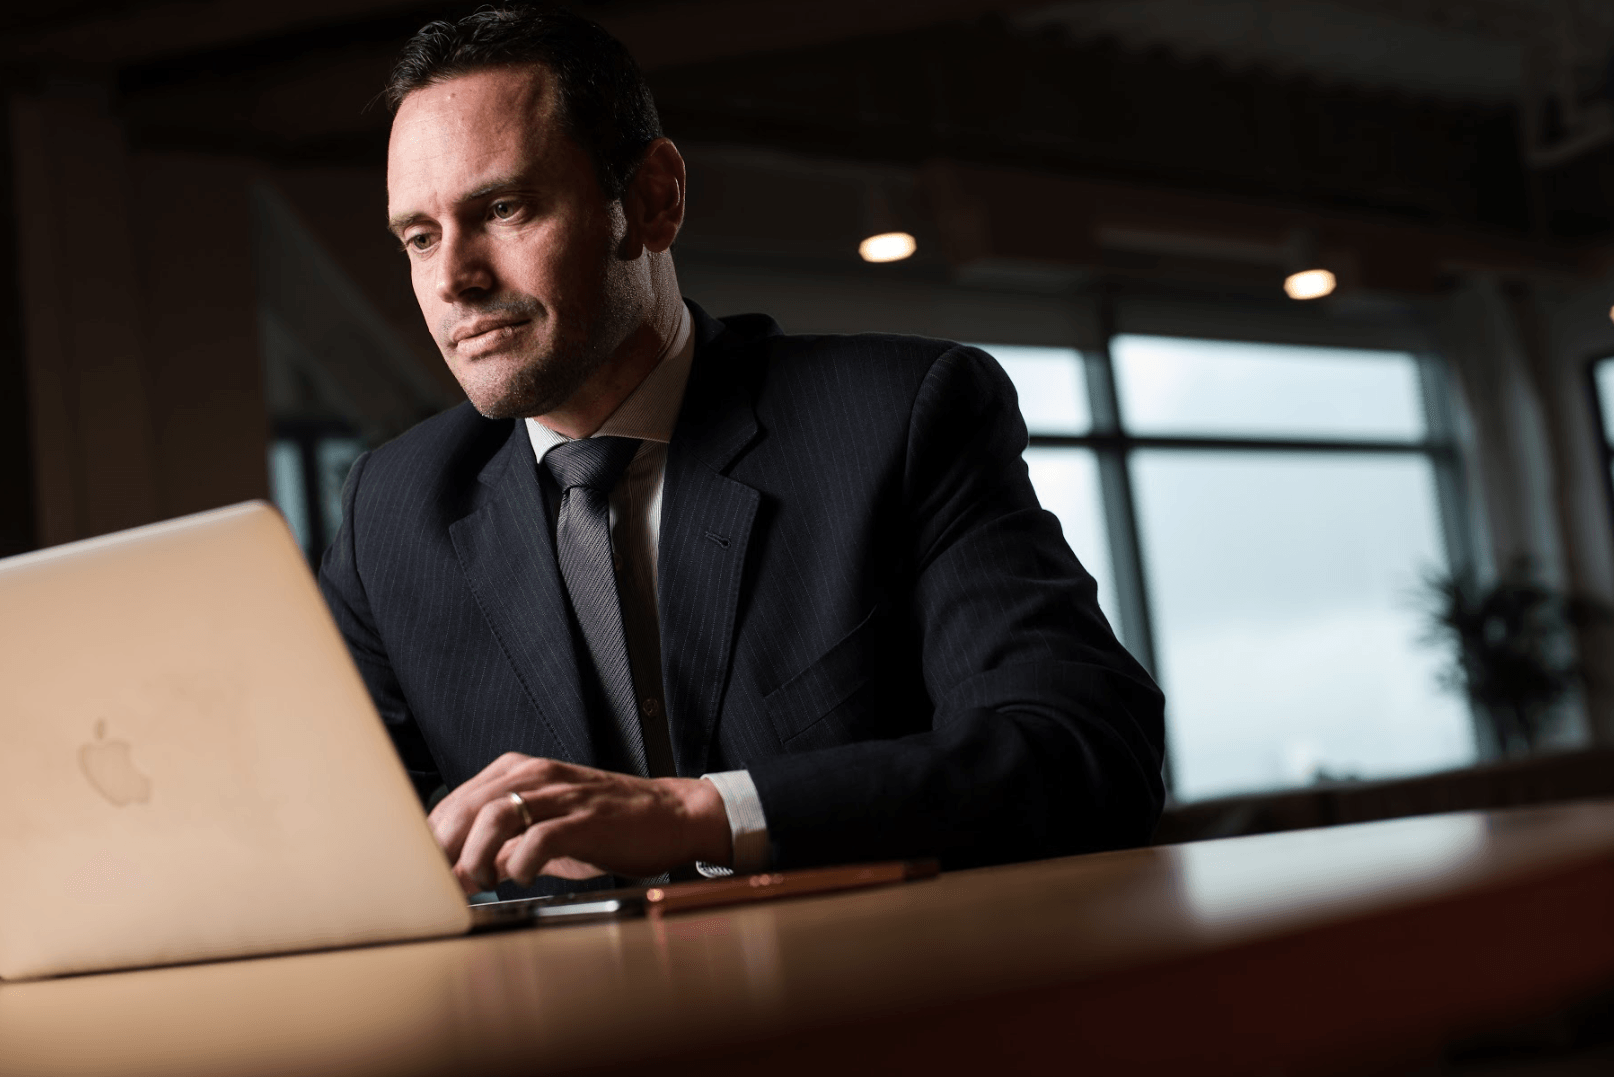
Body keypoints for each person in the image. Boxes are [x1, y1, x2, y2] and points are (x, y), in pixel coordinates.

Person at [319, 5, 1166, 899]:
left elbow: (1081, 751)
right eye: (419, 236)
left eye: (503, 208)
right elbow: (333, 828)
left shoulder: (897, 420)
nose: (453, 277)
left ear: (652, 200)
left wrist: (703, 813)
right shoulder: (392, 507)